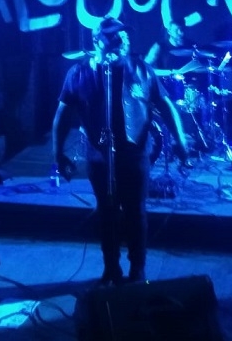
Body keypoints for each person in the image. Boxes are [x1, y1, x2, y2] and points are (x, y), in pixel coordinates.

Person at [52, 16, 190, 285]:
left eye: (124, 35)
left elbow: (166, 106)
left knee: (135, 212)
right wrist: (58, 154)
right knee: (106, 212)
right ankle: (111, 268)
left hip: (135, 155)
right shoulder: (79, 74)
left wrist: (180, 142)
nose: (121, 39)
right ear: (96, 41)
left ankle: (138, 269)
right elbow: (62, 116)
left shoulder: (141, 70)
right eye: (113, 35)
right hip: (99, 157)